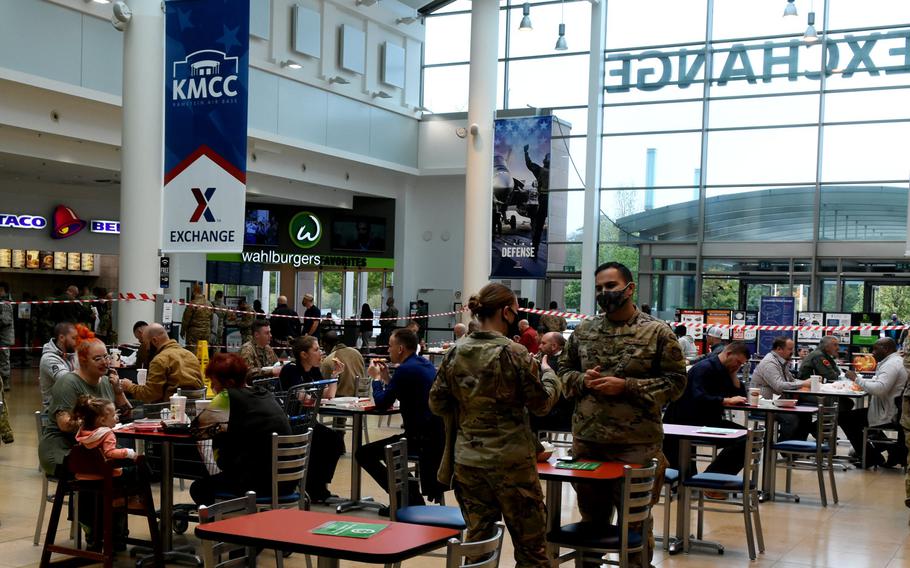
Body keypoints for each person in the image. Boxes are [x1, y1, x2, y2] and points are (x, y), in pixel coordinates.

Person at [559, 261, 686, 563]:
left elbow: (677, 383)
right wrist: (581, 380)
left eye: (611, 286)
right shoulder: (584, 331)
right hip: (589, 445)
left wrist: (627, 386)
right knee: (591, 524)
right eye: (600, 288)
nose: (604, 293)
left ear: (629, 288)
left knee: (636, 527)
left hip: (636, 448)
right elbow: (562, 370)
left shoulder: (656, 332)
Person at [430, 282, 561, 567]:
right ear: (506, 312)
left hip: (469, 463)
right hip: (511, 465)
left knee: (478, 545)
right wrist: (550, 377)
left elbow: (437, 403)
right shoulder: (514, 353)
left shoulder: (455, 352)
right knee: (531, 550)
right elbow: (541, 404)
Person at [357, 328, 446, 512]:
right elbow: (405, 391)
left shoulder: (405, 370)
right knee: (391, 452)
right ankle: (408, 494)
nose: (387, 350)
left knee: (364, 454)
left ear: (400, 349)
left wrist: (375, 379)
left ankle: (404, 497)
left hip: (420, 439)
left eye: (390, 346)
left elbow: (382, 403)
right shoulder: (423, 364)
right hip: (435, 435)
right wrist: (387, 380)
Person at [188, 353, 294, 505]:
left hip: (258, 484)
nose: (212, 387)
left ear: (228, 382)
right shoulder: (265, 394)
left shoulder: (227, 396)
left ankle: (219, 526)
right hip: (288, 480)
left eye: (214, 382)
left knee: (199, 488)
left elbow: (196, 431)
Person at [39, 326, 131, 479]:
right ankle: (109, 502)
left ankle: (117, 502)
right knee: (122, 473)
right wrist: (98, 422)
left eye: (106, 357)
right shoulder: (68, 383)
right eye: (97, 359)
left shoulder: (107, 382)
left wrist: (118, 391)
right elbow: (65, 425)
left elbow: (128, 415)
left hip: (97, 448)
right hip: (64, 449)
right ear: (83, 361)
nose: (105, 362)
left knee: (139, 466)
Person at [663, 343, 751, 492]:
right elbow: (699, 397)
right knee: (745, 439)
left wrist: (733, 373)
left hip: (705, 420)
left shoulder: (725, 370)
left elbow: (741, 396)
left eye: (742, 365)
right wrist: (725, 400)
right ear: (728, 354)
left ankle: (712, 478)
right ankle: (710, 481)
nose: (738, 366)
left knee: (748, 438)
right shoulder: (704, 368)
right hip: (687, 422)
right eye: (737, 362)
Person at [276, 335, 346, 502]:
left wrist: (335, 375)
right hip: (291, 422)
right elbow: (303, 398)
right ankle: (314, 487)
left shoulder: (314, 370)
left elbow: (328, 395)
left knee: (334, 440)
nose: (320, 353)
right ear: (303, 354)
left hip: (307, 421)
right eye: (316, 350)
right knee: (323, 440)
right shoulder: (291, 370)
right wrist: (316, 398)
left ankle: (318, 485)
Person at [840, 338, 907, 468]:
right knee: (856, 418)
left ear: (886, 349)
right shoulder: (895, 361)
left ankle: (870, 457)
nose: (873, 353)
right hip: (892, 409)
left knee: (845, 418)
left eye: (876, 349)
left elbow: (880, 389)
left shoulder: (891, 364)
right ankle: (892, 451)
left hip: (887, 413)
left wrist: (856, 379)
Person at [119, 323, 205, 403]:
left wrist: (129, 386)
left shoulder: (160, 360)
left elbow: (150, 394)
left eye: (146, 344)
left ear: (155, 340)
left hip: (170, 411)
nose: (147, 348)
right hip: (195, 409)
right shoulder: (191, 355)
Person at [751, 336, 811, 441]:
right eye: (789, 349)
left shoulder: (781, 362)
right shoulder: (770, 363)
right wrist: (803, 384)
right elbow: (779, 386)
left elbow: (792, 380)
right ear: (779, 349)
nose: (792, 352)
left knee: (805, 414)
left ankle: (796, 446)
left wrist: (806, 383)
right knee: (791, 418)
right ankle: (782, 447)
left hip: (778, 402)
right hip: (764, 405)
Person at [72, 395, 137, 478]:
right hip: (107, 475)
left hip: (85, 474)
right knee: (136, 468)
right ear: (102, 420)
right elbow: (109, 452)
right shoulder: (107, 434)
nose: (117, 417)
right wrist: (128, 453)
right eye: (113, 415)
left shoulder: (82, 433)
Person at [529, 332, 572, 434]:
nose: (539, 346)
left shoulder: (562, 363)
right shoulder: (546, 357)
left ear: (554, 346)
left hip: (557, 413)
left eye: (543, 343)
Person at [39, 322, 78, 410]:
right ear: (61, 338)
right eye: (74, 338)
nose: (77, 342)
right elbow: (68, 381)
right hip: (55, 411)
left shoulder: (72, 353)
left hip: (73, 406)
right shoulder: (48, 359)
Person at [320, 331, 365, 397]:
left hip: (339, 401)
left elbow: (324, 389)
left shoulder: (329, 360)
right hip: (360, 398)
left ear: (326, 345)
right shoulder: (357, 353)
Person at [524, 144, 550, 257]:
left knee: (538, 228)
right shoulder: (557, 173)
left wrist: (526, 153)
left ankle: (534, 252)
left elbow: (529, 164)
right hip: (555, 200)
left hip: (543, 200)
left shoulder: (540, 170)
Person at [181, 284, 213, 355]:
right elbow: (211, 318)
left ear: (194, 292)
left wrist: (182, 331)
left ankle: (193, 365)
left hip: (194, 332)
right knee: (204, 351)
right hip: (206, 331)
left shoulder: (193, 303)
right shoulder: (209, 304)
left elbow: (186, 319)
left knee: (192, 351)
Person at [0, 282, 12, 395]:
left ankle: (5, 381)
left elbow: (6, 320)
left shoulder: (5, 303)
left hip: (3, 337)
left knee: (4, 359)